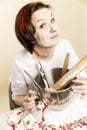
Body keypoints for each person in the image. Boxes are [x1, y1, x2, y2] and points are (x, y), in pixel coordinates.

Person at [9, 1, 87, 111]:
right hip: (39, 108)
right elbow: (16, 96)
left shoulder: (65, 46)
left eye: (52, 20)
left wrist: (85, 85)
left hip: (62, 104)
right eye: (42, 25)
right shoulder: (20, 62)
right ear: (29, 35)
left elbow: (82, 78)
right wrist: (25, 101)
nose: (53, 28)